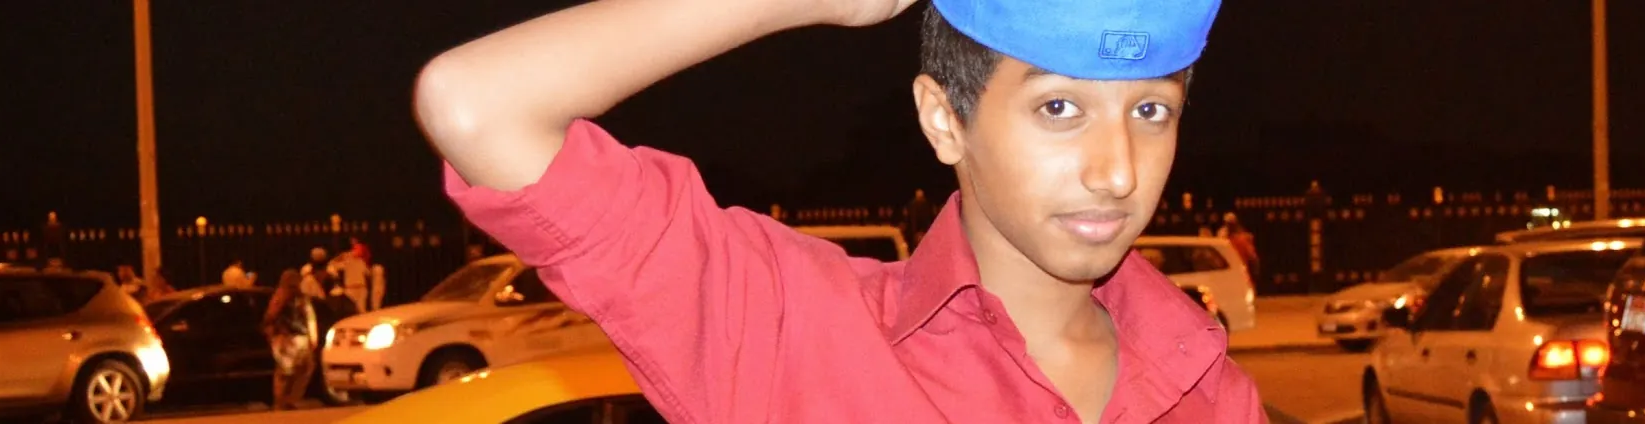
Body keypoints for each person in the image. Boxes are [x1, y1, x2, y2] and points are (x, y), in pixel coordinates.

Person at [416, 0, 1255, 421]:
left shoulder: (1209, 388)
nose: (1117, 172)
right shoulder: (783, 330)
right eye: (1059, 109)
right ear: (944, 119)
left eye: (1151, 111)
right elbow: (476, 105)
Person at [262, 267, 318, 410]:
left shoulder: (296, 298)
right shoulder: (285, 297)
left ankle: (287, 400)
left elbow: (310, 318)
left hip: (295, 338)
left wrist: (313, 337)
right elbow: (271, 317)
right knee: (289, 372)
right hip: (288, 338)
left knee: (299, 369)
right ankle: (283, 401)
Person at [336, 241, 374, 312]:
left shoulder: (359, 261)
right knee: (357, 310)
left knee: (360, 310)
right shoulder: (348, 261)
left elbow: (368, 273)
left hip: (358, 288)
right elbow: (368, 273)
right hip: (353, 289)